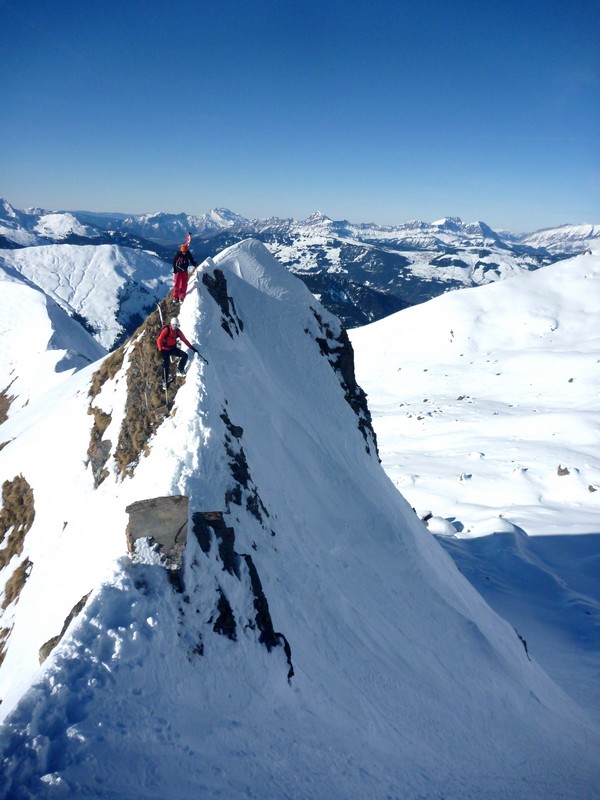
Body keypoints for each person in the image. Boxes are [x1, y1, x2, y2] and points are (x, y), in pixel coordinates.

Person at [157, 317, 198, 389]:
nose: (175, 326)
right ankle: (164, 381)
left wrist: (192, 348)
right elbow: (159, 340)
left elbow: (185, 340)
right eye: (174, 325)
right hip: (165, 349)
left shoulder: (178, 332)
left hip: (172, 348)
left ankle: (180, 369)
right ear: (171, 324)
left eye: (176, 325)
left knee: (184, 355)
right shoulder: (166, 330)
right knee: (166, 363)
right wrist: (161, 351)